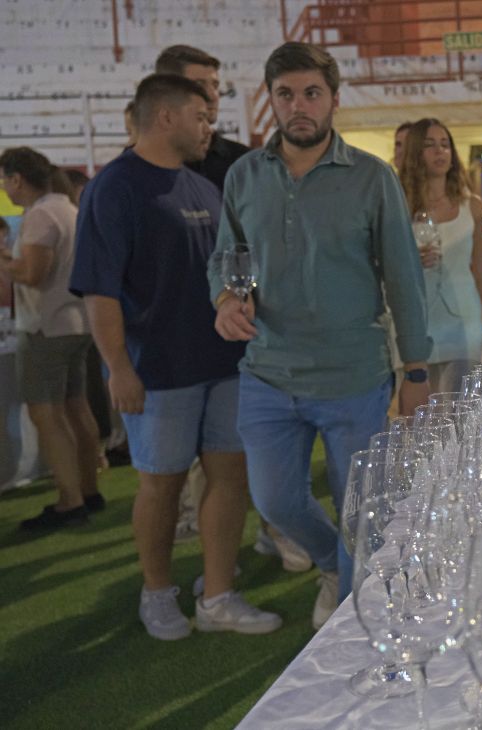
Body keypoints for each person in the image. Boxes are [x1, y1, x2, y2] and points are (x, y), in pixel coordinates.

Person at [209, 42, 432, 627]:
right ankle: (337, 565)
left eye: (311, 93)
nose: (298, 106)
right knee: (276, 501)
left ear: (334, 99)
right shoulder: (243, 175)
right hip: (266, 373)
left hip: (352, 375)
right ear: (271, 102)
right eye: (286, 95)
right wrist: (225, 299)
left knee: (364, 512)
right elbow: (223, 258)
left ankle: (353, 632)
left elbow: (404, 280)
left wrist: (416, 372)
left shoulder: (372, 178)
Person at [70, 74, 281, 639]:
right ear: (166, 117)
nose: (210, 126)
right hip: (156, 371)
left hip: (224, 364)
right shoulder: (113, 188)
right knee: (161, 485)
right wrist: (119, 367)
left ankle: (217, 595)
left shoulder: (204, 187)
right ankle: (157, 593)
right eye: (201, 115)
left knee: (230, 476)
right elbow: (100, 290)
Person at [156, 43, 307, 572]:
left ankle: (275, 529)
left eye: (217, 89)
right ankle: (219, 554)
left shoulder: (241, 161)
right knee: (200, 463)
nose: (214, 99)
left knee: (262, 445)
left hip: (252, 331)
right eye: (203, 88)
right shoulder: (146, 170)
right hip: (184, 336)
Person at [0, 147, 103, 530]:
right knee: (76, 407)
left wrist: (4, 261)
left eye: (5, 180)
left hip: (47, 326)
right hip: (76, 323)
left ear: (16, 179)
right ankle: (88, 490)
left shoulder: (41, 214)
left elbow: (33, 274)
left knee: (47, 413)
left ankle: (70, 500)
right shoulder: (67, 209)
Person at [398, 118, 482, 393]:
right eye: (430, 145)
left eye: (445, 145)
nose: (440, 152)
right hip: (414, 324)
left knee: (460, 412)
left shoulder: (472, 206)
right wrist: (408, 261)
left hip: (463, 321)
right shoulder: (397, 205)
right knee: (419, 419)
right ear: (415, 153)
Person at [155, 45, 249, 191]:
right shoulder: (136, 167)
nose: (213, 96)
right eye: (199, 85)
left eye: (215, 85)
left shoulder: (245, 163)